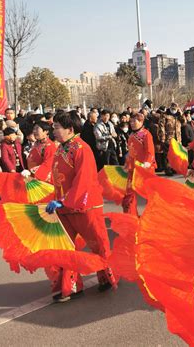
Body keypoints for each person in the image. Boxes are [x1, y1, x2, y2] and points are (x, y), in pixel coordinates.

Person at [46, 111, 117, 302]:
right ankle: (71, 286)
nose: (53, 130)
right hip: (63, 207)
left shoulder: (82, 148)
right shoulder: (60, 149)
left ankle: (107, 277)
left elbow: (83, 180)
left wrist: (64, 200)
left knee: (98, 244)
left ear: (70, 129)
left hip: (85, 206)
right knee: (66, 247)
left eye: (56, 127)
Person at [122, 113, 156, 215]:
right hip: (132, 168)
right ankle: (131, 216)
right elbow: (130, 152)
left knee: (149, 194)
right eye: (131, 121)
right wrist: (126, 163)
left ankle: (151, 215)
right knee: (129, 193)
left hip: (145, 168)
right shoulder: (131, 135)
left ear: (141, 122)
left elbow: (150, 151)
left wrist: (147, 163)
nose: (132, 123)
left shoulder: (146, 134)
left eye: (134, 121)